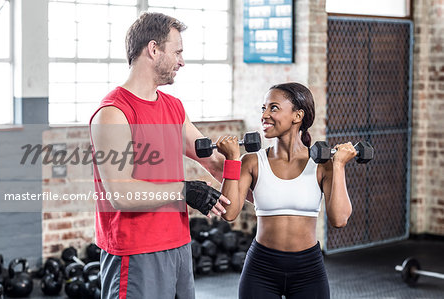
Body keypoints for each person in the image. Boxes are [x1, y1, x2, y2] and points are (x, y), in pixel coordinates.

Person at [89, 12, 230, 299]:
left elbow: (214, 162)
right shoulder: (114, 113)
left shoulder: (173, 108)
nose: (182, 61)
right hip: (136, 252)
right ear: (154, 50)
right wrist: (183, 190)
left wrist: (269, 189)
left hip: (178, 247)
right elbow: (121, 194)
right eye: (177, 52)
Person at [215, 82, 356, 299]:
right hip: (261, 267)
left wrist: (339, 166)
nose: (265, 115)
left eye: (273, 108)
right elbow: (229, 213)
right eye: (263, 108)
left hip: (308, 270)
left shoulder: (322, 164)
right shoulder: (252, 161)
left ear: (297, 116)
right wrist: (232, 160)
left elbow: (340, 219)